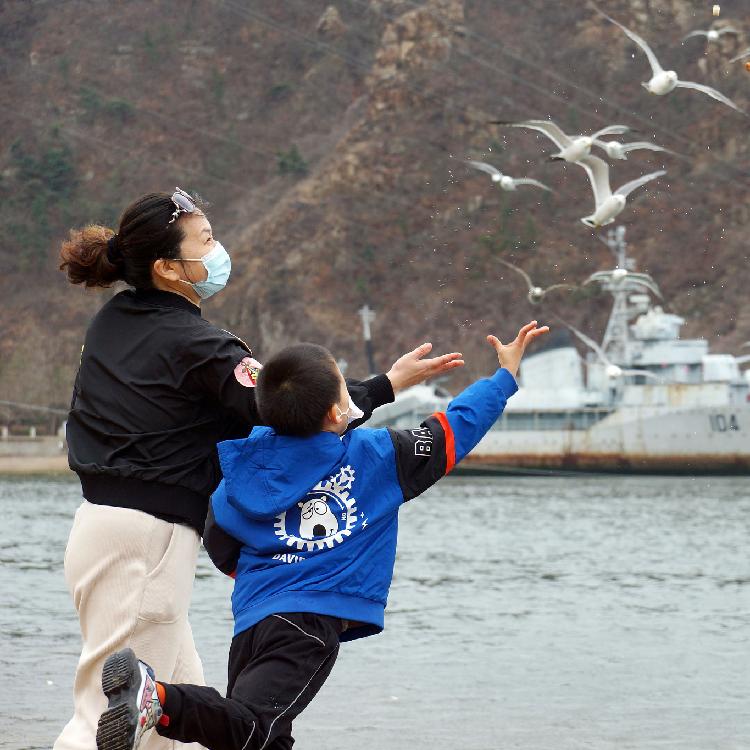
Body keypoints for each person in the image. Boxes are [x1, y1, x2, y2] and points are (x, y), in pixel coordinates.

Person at [55, 187, 464, 750]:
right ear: (168, 267)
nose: (218, 249)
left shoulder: (112, 323)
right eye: (207, 241)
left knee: (177, 716)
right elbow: (296, 413)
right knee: (107, 720)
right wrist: (384, 387)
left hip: (100, 529)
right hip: (145, 540)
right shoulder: (203, 347)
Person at [94, 320, 548, 750]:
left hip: (253, 622)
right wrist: (503, 377)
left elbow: (220, 543)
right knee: (252, 728)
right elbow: (454, 429)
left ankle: (157, 699)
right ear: (338, 410)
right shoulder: (378, 457)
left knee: (267, 737)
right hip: (307, 626)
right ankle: (157, 699)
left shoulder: (239, 473)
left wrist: (271, 574)